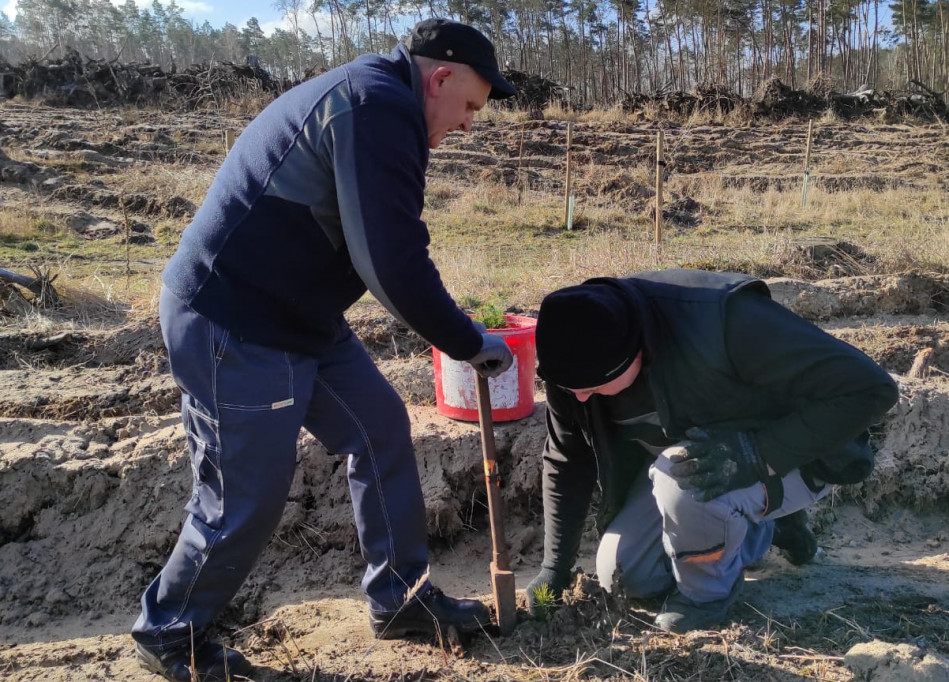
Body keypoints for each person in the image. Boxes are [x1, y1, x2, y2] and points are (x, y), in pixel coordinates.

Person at [132, 18, 517, 682]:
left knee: (380, 429)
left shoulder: (380, 101)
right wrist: (466, 341)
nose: (469, 125)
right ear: (441, 78)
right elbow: (391, 260)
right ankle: (172, 634)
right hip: (235, 320)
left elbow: (370, 242)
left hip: (299, 317)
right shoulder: (376, 106)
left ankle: (400, 598)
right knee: (244, 495)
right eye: (471, 108)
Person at [526, 269, 898, 633]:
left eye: (593, 386)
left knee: (679, 478)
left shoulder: (726, 321)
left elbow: (871, 389)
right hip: (701, 460)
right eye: (568, 386)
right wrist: (554, 568)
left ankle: (706, 596)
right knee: (625, 575)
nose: (579, 397)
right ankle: (760, 528)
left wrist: (758, 454)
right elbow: (566, 457)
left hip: (795, 454)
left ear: (635, 352)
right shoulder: (572, 361)